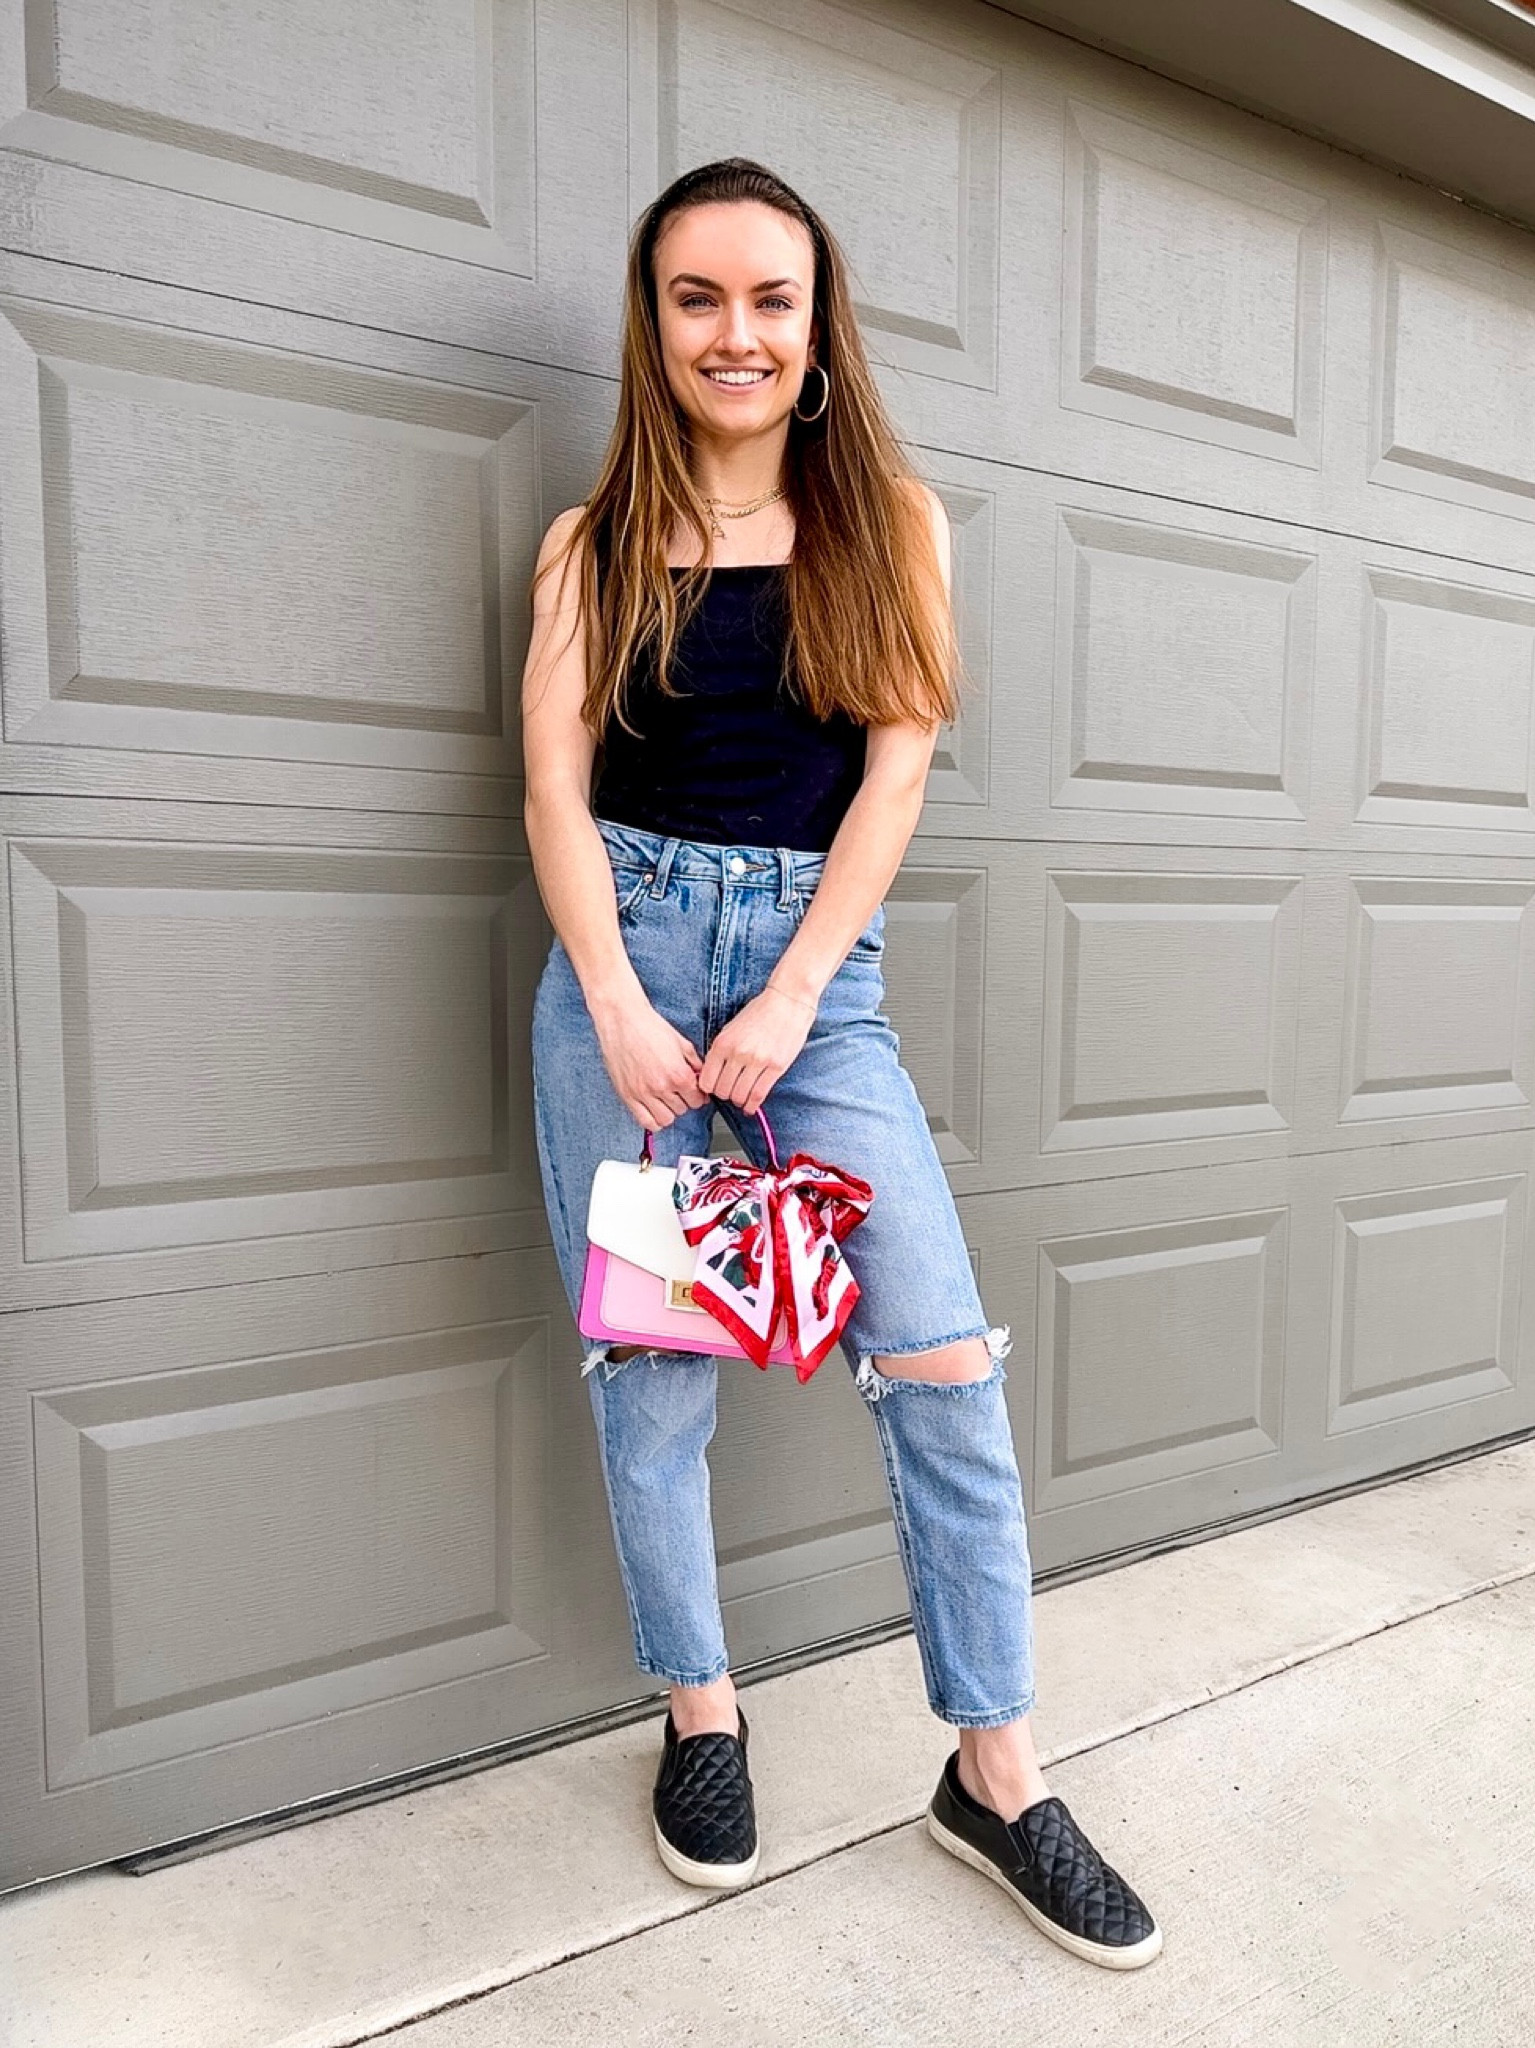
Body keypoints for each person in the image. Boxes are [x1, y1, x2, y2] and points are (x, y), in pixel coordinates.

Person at [521, 156, 1161, 1971]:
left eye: (770, 299)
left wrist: (795, 994)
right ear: (653, 328)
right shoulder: (589, 547)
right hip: (625, 974)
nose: (736, 331)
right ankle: (701, 1715)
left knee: (943, 1357)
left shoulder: (889, 517)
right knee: (656, 1375)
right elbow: (555, 794)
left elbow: (896, 772)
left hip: (819, 991)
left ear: (819, 329)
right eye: (697, 298)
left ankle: (999, 1777)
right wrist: (627, 1011)